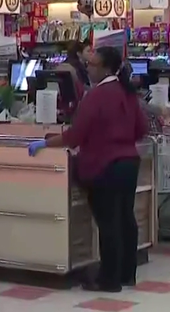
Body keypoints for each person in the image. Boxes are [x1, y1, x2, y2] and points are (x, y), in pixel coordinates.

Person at [27, 45, 147, 292]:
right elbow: (141, 129)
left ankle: (108, 280)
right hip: (129, 162)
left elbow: (76, 135)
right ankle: (127, 273)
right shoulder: (127, 92)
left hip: (104, 164)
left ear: (104, 68)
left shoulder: (97, 95)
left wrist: (46, 142)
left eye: (91, 64)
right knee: (125, 218)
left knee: (108, 222)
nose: (87, 68)